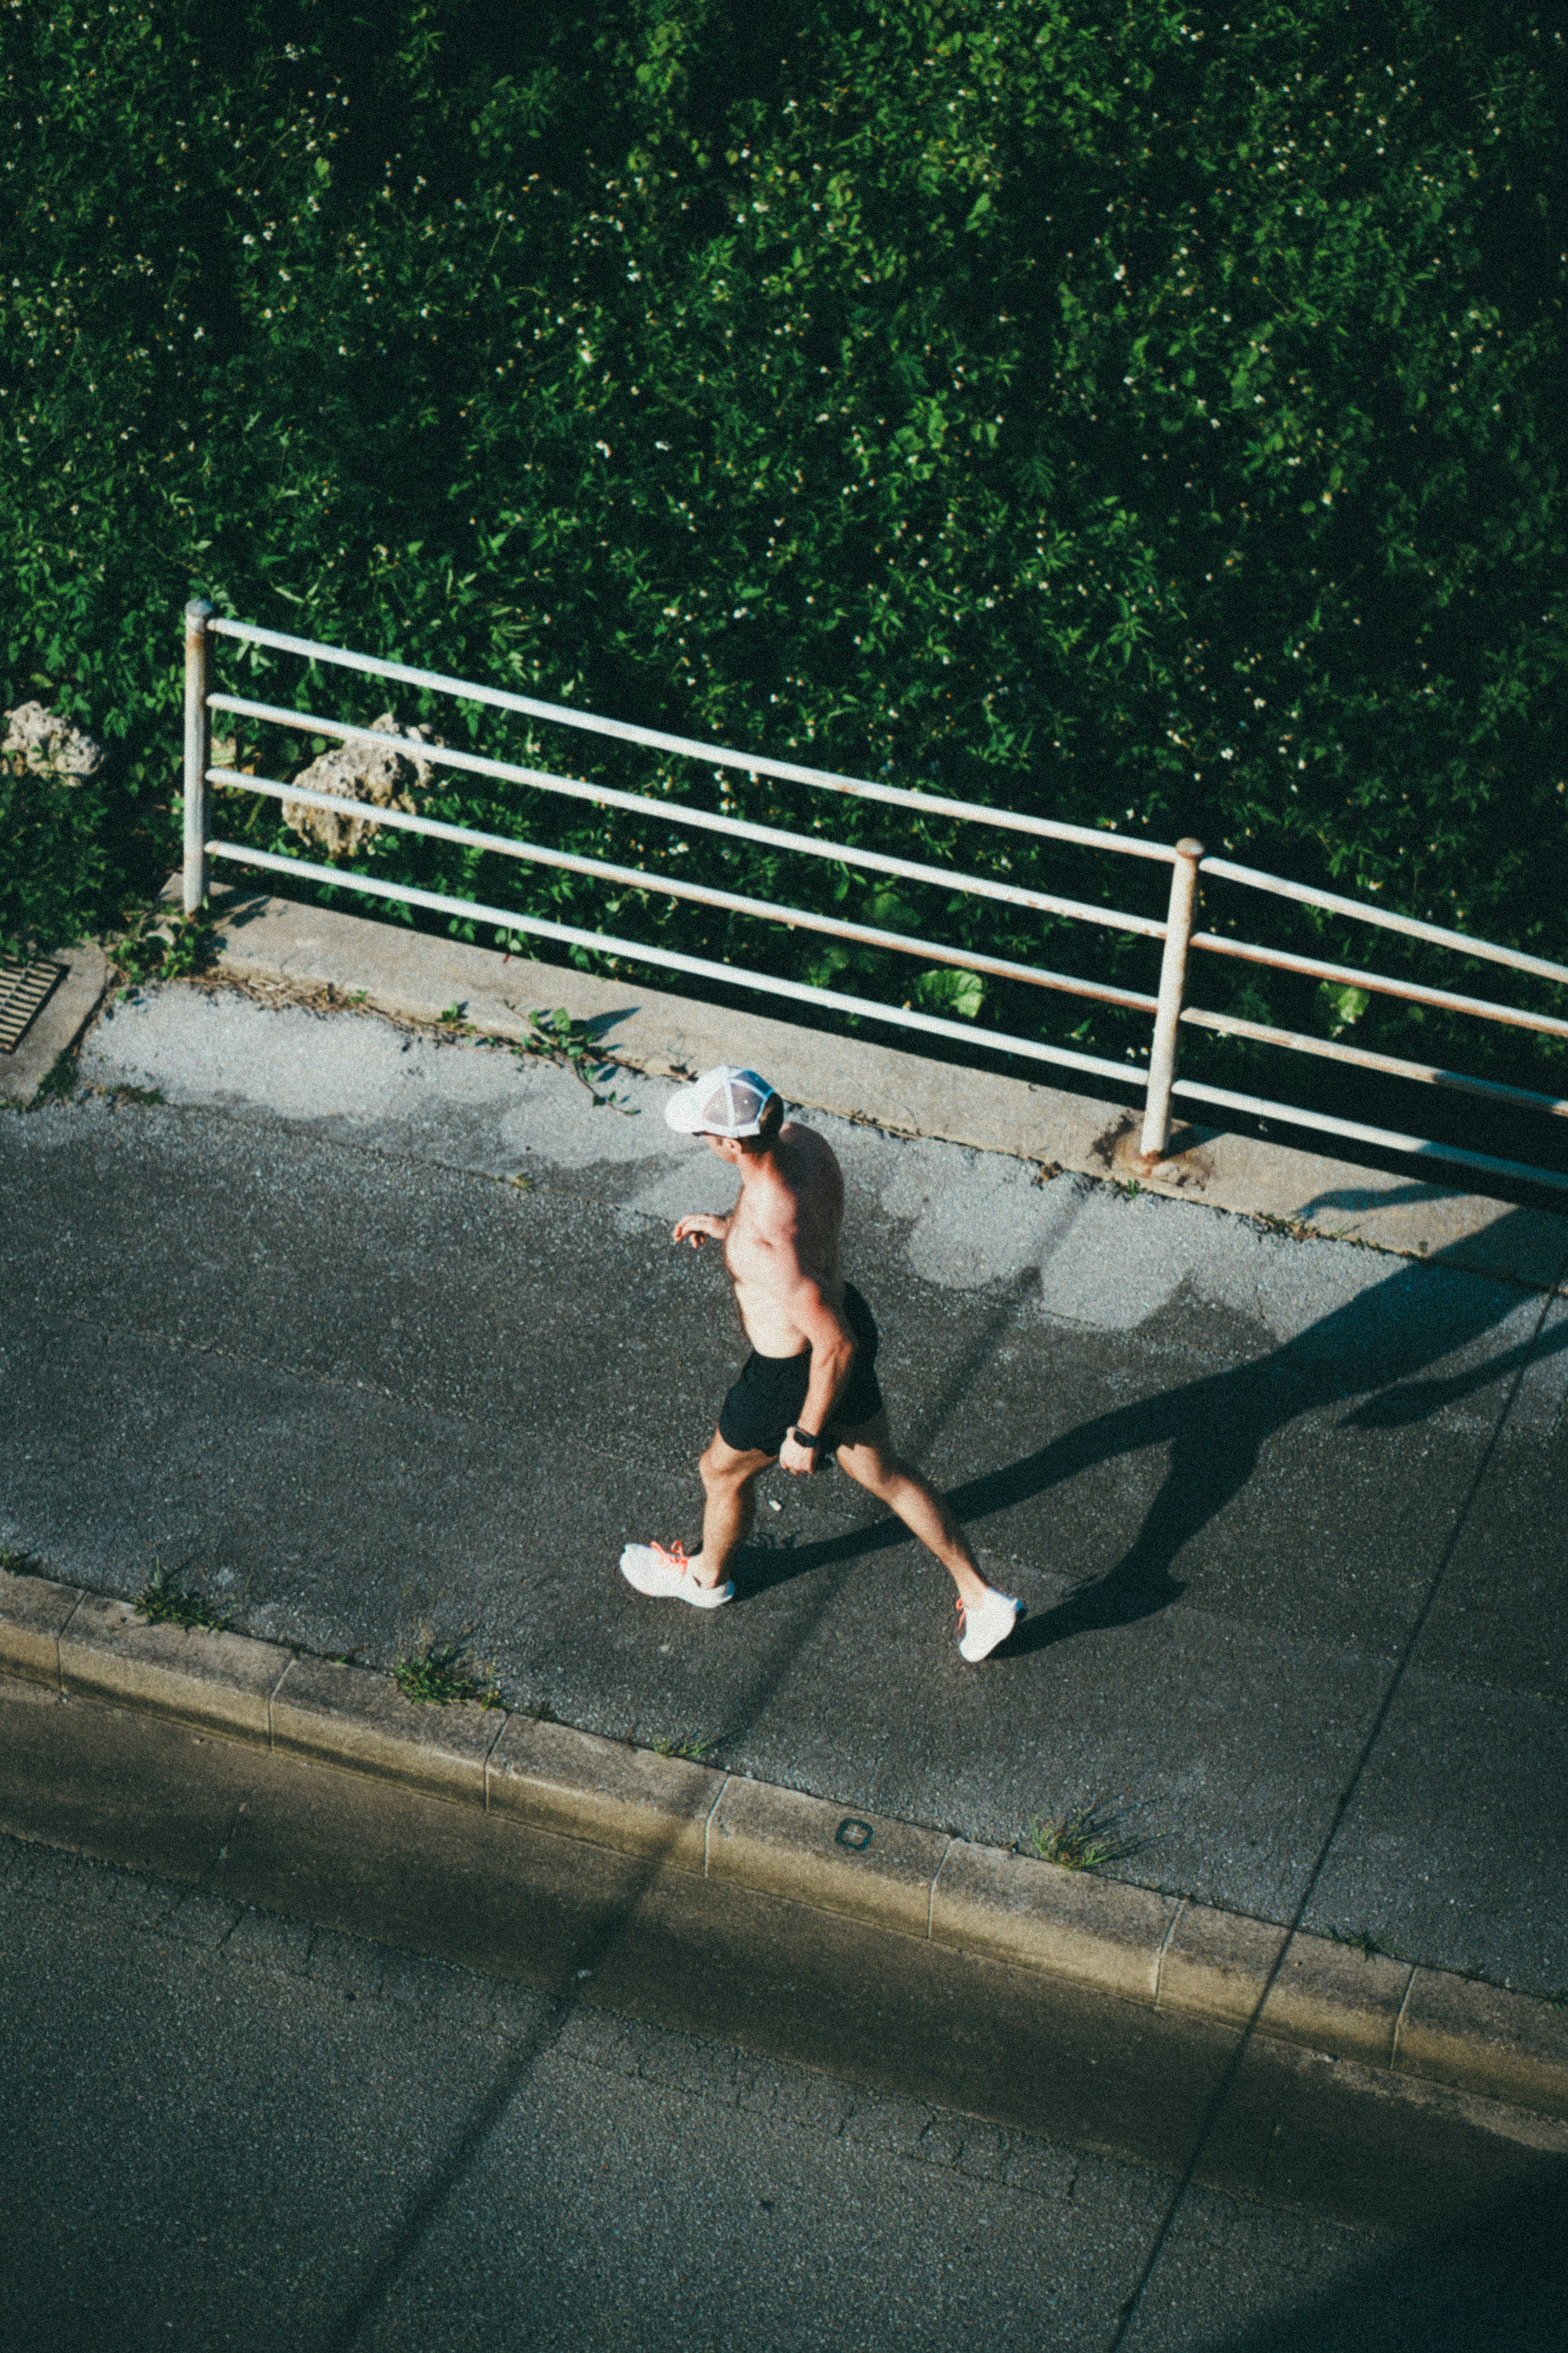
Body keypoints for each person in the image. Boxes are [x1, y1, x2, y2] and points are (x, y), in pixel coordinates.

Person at [619, 1065, 1022, 1662]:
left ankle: (706, 1579)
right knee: (884, 1472)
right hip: (845, 1312)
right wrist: (728, 1229)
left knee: (720, 1472)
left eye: (704, 1134)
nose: (702, 1143)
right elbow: (801, 1241)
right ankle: (984, 1598)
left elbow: (834, 1345)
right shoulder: (807, 1146)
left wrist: (807, 1433)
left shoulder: (766, 1241)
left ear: (732, 1144)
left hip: (792, 1376)